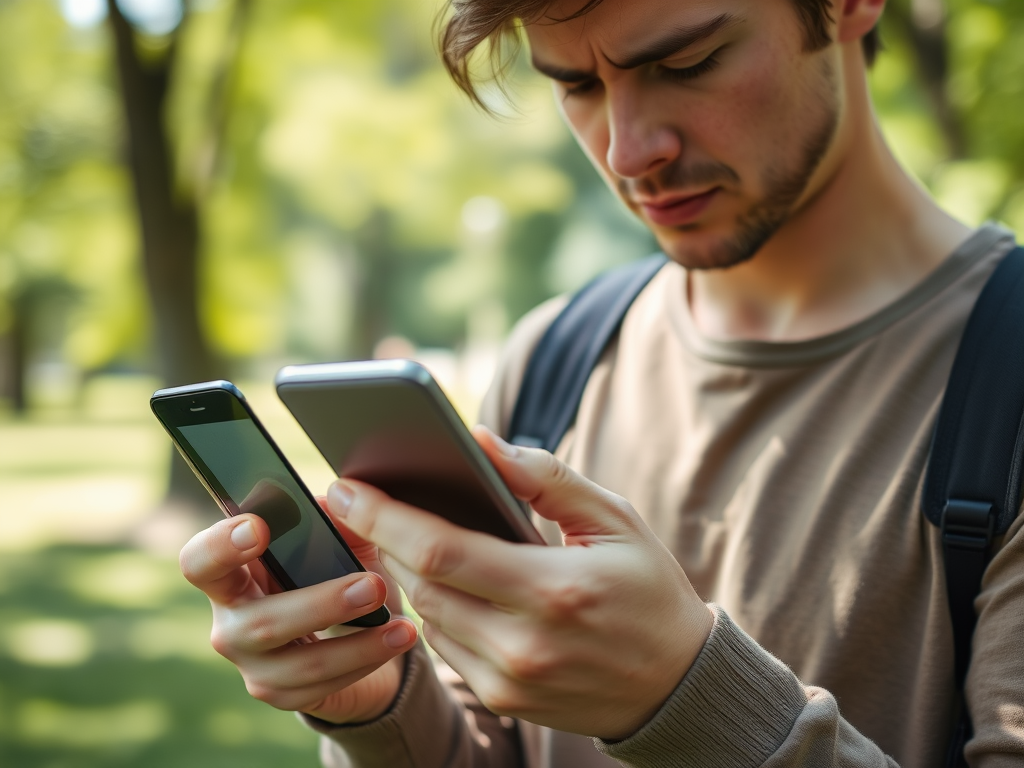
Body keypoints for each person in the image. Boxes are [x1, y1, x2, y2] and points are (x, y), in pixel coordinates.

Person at [178, 0, 1024, 765]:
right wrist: (376, 709)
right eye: (575, 84)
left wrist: (682, 696)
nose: (628, 151)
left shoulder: (1004, 375)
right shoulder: (555, 356)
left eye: (687, 64)